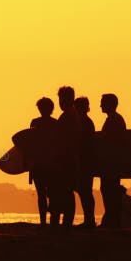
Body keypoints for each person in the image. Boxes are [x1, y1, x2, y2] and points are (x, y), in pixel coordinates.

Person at [48, 86, 80, 228]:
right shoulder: (72, 115)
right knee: (65, 192)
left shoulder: (68, 116)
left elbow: (65, 140)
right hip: (67, 160)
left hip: (65, 161)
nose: (60, 102)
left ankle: (63, 223)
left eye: (61, 99)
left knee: (63, 192)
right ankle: (64, 222)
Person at [29, 97, 58, 225]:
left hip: (45, 164)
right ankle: (47, 221)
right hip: (44, 164)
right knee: (46, 194)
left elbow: (28, 144)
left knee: (46, 194)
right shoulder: (55, 123)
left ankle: (45, 222)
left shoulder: (36, 122)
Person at [99, 93, 126, 228]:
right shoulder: (115, 119)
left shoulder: (114, 120)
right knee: (109, 190)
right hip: (112, 163)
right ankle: (111, 220)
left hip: (111, 163)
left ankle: (112, 220)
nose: (100, 105)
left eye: (103, 102)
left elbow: (110, 143)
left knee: (109, 190)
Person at [73, 96, 96, 228]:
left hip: (84, 162)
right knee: (84, 191)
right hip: (86, 161)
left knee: (85, 191)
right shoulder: (86, 121)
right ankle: (89, 219)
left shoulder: (84, 122)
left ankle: (89, 220)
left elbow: (83, 143)